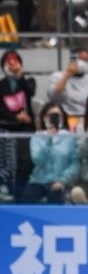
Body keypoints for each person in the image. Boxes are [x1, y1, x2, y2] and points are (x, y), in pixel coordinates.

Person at [21, 102, 78, 204]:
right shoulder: (37, 137)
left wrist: (63, 180)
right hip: (39, 181)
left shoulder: (70, 137)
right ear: (44, 118)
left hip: (61, 181)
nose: (54, 119)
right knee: (27, 196)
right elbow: (37, 160)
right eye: (50, 115)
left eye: (58, 116)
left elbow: (75, 164)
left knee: (56, 196)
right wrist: (49, 140)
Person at [0, 50, 35, 200]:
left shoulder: (28, 81)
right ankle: (7, 188)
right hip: (6, 127)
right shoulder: (1, 85)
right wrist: (16, 117)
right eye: (8, 62)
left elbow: (30, 93)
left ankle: (23, 190)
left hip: (26, 128)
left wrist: (20, 76)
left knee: (26, 159)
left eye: (15, 62)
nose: (12, 65)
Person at [46, 46, 88, 129]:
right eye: (81, 59)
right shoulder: (57, 76)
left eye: (86, 61)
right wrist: (67, 75)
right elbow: (54, 96)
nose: (83, 63)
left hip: (87, 119)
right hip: (64, 119)